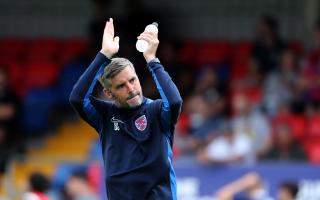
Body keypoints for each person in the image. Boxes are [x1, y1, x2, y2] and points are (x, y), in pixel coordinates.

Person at [69, 18, 182, 199]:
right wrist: (104, 54)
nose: (131, 89)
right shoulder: (104, 115)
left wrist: (152, 60)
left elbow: (175, 102)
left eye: (133, 80)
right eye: (121, 86)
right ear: (108, 93)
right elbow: (77, 98)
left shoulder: (157, 111)